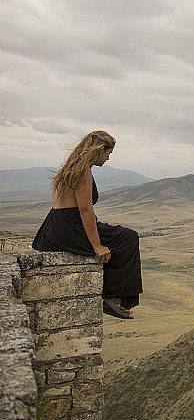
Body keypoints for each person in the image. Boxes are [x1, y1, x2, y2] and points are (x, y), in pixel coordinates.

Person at [33, 131, 142, 319]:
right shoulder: (83, 171)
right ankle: (112, 297)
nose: (108, 158)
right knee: (128, 238)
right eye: (108, 153)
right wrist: (97, 246)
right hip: (70, 228)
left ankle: (112, 296)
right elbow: (85, 210)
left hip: (57, 225)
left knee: (122, 236)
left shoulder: (74, 166)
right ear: (99, 150)